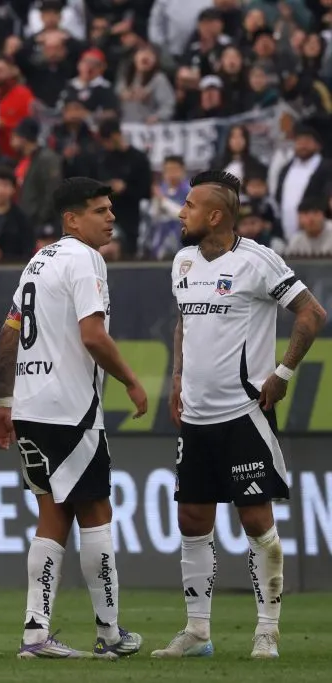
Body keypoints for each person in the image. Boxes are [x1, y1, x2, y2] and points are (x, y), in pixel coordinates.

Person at [152, 171, 327, 660]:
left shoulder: (258, 260)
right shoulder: (183, 260)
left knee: (255, 520)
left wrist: (284, 373)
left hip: (243, 414)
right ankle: (197, 632)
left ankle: (266, 630)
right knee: (191, 519)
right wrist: (176, 379)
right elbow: (184, 322)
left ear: (214, 215)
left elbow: (312, 314)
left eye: (188, 205)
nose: (180, 212)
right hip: (196, 417)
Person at [0, 177, 148, 659]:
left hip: (32, 409)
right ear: (72, 219)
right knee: (96, 513)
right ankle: (110, 634)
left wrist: (3, 403)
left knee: (51, 516)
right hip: (71, 412)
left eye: (111, 209)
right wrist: (131, 380)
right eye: (100, 210)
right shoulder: (85, 259)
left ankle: (36, 634)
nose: (111, 217)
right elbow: (94, 336)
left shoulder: (38, 261)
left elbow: (9, 334)